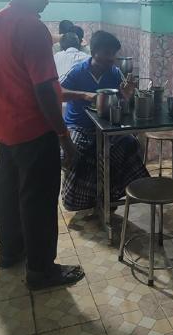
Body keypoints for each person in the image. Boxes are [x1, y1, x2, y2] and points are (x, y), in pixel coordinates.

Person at [0, 0, 84, 289]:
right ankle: (41, 270)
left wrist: (74, 96)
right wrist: (64, 137)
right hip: (34, 131)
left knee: (9, 194)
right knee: (38, 201)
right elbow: (43, 90)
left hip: (5, 129)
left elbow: (24, 82)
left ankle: (10, 252)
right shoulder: (33, 28)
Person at [59, 30, 148, 212]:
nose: (111, 58)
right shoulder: (78, 71)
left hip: (106, 126)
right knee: (73, 152)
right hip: (79, 126)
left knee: (130, 144)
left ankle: (111, 195)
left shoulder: (115, 74)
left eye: (113, 54)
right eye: (107, 53)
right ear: (93, 52)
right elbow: (58, 93)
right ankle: (78, 199)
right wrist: (84, 95)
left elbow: (123, 105)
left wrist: (127, 96)